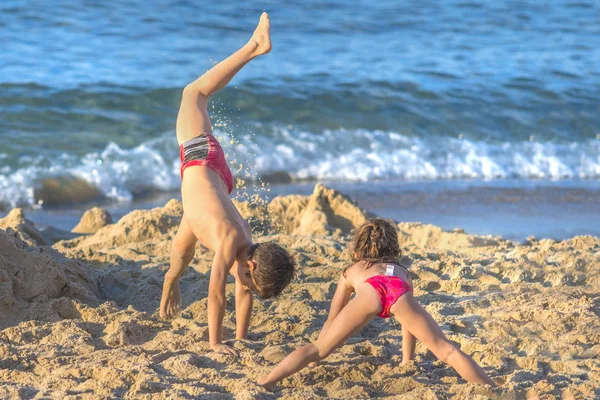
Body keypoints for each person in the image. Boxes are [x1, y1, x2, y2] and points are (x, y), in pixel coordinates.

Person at [159, 12, 295, 357]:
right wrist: (216, 343)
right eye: (249, 278)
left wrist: (242, 337)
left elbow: (244, 292)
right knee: (194, 92)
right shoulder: (233, 241)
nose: (246, 286)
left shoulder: (247, 246)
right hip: (200, 157)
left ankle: (169, 282)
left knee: (182, 252)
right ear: (251, 265)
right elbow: (216, 293)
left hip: (214, 181)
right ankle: (253, 47)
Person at [258, 218, 496, 388]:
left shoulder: (351, 271)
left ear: (358, 246)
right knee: (448, 351)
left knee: (317, 350)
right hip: (398, 289)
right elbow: (408, 324)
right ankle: (493, 389)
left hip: (369, 291)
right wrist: (407, 359)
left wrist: (321, 350)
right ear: (392, 245)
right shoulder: (403, 271)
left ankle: (266, 382)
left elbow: (333, 315)